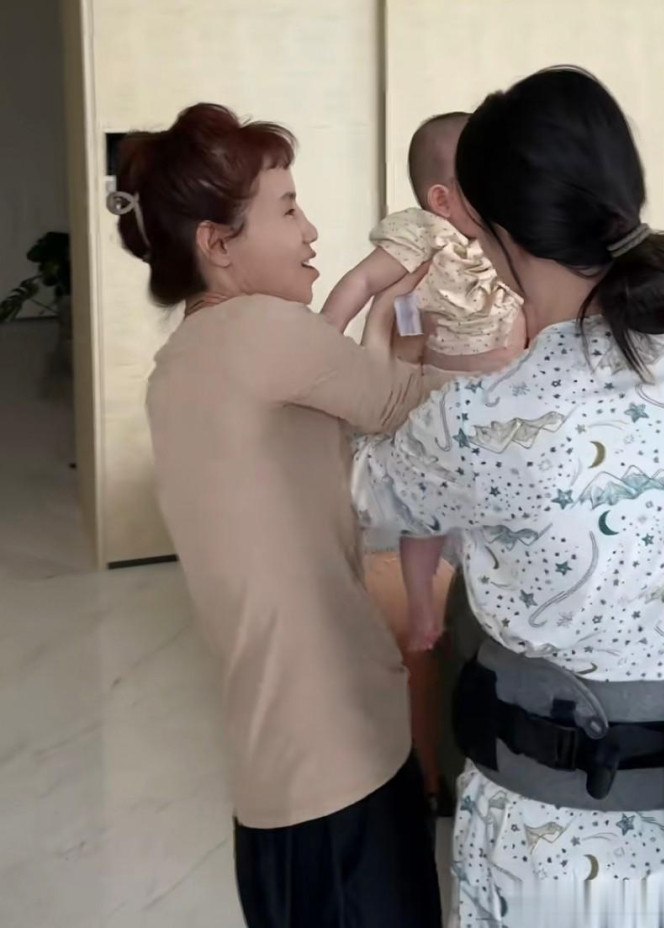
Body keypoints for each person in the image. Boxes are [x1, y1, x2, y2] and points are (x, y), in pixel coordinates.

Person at [352, 67, 664, 928]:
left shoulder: (479, 419)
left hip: (550, 848)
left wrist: (379, 348)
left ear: (492, 231)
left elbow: (368, 498)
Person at [108, 102, 444, 928]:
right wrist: (504, 346)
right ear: (217, 245)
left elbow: (346, 396)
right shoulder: (264, 330)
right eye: (288, 209)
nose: (311, 231)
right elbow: (406, 405)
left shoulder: (187, 358)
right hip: (339, 759)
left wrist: (381, 324)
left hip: (278, 770)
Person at [324, 112, 525, 654]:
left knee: (503, 511)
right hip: (442, 394)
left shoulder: (510, 235)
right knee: (423, 515)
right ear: (442, 200)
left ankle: (500, 608)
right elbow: (361, 281)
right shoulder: (426, 235)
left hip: (511, 395)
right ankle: (421, 610)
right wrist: (324, 337)